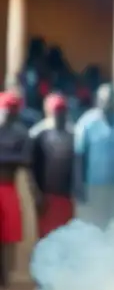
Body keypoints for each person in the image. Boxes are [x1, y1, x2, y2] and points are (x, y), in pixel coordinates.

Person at [74, 84, 114, 229]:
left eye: (111, 100)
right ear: (97, 101)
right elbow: (79, 158)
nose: (108, 104)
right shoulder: (87, 123)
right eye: (104, 100)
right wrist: (78, 186)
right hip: (93, 187)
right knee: (94, 226)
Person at [0, 93, 33, 288]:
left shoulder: (21, 133)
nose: (8, 114)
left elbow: (25, 160)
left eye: (12, 110)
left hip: (9, 187)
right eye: (5, 109)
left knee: (9, 236)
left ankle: (5, 275)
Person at [32, 95, 76, 238]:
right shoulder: (38, 134)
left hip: (66, 197)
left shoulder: (73, 134)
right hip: (45, 198)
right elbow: (31, 168)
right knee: (44, 237)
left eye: (62, 113)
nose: (59, 117)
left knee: (65, 235)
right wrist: (37, 194)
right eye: (56, 113)